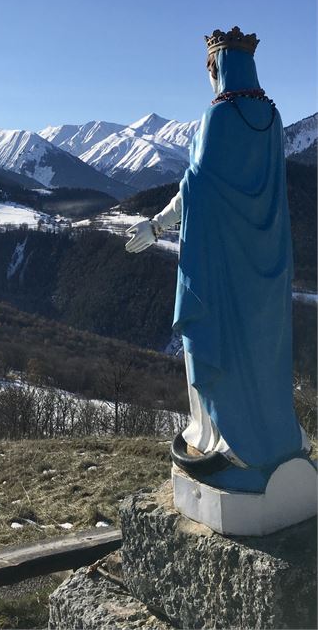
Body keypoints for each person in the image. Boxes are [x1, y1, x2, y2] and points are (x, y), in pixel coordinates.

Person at [125, 27, 309, 492]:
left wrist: (156, 225)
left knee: (219, 347)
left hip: (222, 265)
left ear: (219, 67)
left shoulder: (219, 117)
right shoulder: (272, 116)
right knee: (261, 351)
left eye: (210, 70)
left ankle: (220, 438)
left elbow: (197, 188)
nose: (209, 79)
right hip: (265, 264)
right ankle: (273, 439)